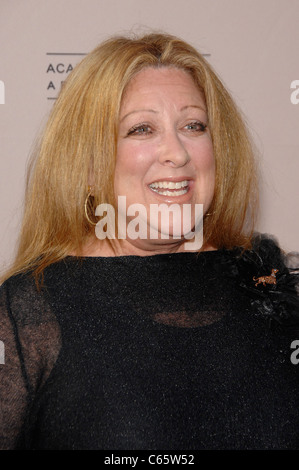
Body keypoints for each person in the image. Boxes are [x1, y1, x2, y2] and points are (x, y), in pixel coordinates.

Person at [0, 32, 298, 450]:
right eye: (141, 129)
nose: (176, 152)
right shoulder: (30, 312)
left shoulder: (267, 283)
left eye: (193, 125)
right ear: (85, 164)